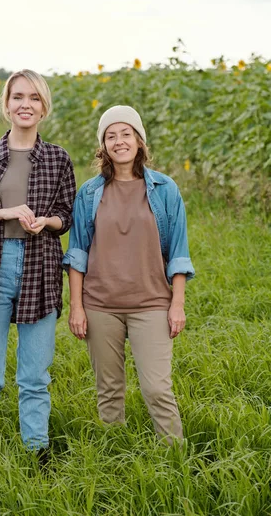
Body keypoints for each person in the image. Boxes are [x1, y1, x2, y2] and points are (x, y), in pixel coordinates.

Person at [0, 69, 76, 455]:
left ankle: (37, 450)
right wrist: (4, 213)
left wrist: (47, 222)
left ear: (44, 107)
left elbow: (66, 215)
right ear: (6, 105)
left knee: (35, 376)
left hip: (40, 269)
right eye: (18, 97)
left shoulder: (57, 159)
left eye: (34, 98)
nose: (26, 104)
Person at [63, 105, 194, 445]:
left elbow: (178, 253)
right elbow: (76, 253)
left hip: (151, 303)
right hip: (100, 305)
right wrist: (76, 307)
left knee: (157, 388)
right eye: (111, 136)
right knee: (108, 391)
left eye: (126, 134)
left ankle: (175, 459)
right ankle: (115, 460)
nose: (119, 141)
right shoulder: (89, 193)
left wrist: (176, 304)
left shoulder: (165, 189)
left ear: (139, 140)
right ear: (103, 146)